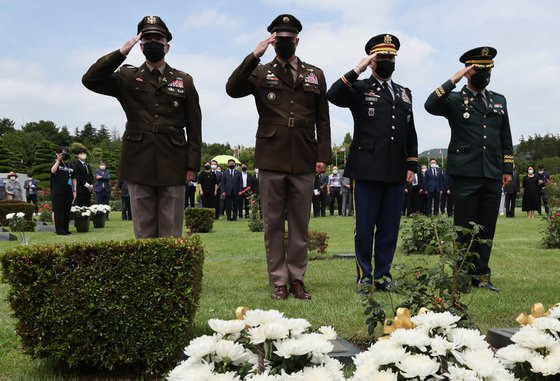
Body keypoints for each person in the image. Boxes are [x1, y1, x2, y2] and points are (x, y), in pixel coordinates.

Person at [226, 14, 331, 300]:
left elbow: (323, 118)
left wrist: (323, 154)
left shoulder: (314, 73)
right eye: (279, 39)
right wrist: (253, 55)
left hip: (305, 156)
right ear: (273, 42)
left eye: (289, 38)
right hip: (271, 157)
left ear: (298, 40)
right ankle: (279, 282)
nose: (285, 43)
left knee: (300, 223)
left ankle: (297, 278)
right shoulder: (260, 71)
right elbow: (232, 88)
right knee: (273, 223)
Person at [82, 16, 201, 238]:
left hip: (173, 161)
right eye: (147, 38)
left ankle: (170, 273)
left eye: (158, 38)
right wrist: (121, 52)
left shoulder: (184, 80)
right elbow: (90, 80)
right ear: (141, 44)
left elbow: (194, 126)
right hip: (139, 160)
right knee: (143, 233)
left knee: (171, 232)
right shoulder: (127, 76)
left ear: (167, 45)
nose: (153, 41)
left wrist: (192, 165)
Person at [327, 33, 418, 293]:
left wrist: (411, 164)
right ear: (372, 60)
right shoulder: (359, 88)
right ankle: (364, 275)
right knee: (365, 227)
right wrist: (358, 68)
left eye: (391, 57)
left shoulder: (404, 93)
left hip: (395, 170)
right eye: (382, 57)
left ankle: (383, 275)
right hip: (366, 169)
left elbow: (410, 131)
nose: (387, 60)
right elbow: (333, 95)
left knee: (390, 227)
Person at [424, 46, 513, 292]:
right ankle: (461, 276)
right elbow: (430, 104)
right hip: (465, 172)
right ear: (468, 71)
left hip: (493, 171)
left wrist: (508, 168)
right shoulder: (454, 98)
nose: (484, 74)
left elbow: (505, 136)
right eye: (478, 70)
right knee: (464, 227)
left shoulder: (499, 100)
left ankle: (481, 276)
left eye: (487, 70)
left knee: (486, 227)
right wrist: (455, 78)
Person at [50, 147, 74, 235]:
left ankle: (65, 229)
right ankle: (59, 230)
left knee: (66, 210)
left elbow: (73, 178)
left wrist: (74, 191)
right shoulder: (55, 163)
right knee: (58, 210)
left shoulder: (69, 165)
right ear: (57, 154)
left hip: (68, 190)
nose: (64, 155)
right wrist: (58, 160)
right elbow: (53, 171)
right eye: (62, 153)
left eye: (66, 153)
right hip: (57, 190)